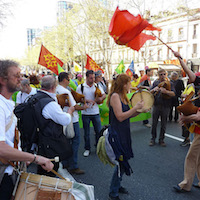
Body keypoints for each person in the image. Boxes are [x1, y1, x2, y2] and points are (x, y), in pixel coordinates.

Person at [0, 60, 54, 200]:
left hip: (10, 170)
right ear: (2, 80)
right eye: (16, 75)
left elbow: (8, 141)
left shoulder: (7, 103)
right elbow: (1, 148)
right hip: (3, 175)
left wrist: (21, 157)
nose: (21, 78)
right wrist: (35, 158)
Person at [107, 74, 144, 200]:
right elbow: (120, 116)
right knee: (121, 161)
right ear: (124, 84)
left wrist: (140, 110)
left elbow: (129, 115)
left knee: (123, 161)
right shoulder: (115, 96)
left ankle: (117, 185)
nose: (131, 85)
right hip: (117, 134)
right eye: (129, 83)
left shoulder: (123, 97)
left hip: (124, 132)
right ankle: (113, 192)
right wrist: (135, 108)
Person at [32, 75, 75, 177]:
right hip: (49, 142)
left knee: (43, 172)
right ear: (54, 86)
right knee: (50, 172)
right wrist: (69, 112)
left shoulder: (35, 97)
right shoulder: (49, 103)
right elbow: (64, 120)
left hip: (39, 139)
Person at [172, 51, 200, 193]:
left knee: (191, 156)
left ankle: (186, 184)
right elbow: (189, 73)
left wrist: (184, 118)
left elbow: (198, 117)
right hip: (198, 129)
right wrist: (179, 58)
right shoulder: (198, 80)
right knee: (199, 157)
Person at [56, 72, 88, 175]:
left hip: (60, 118)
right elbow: (74, 107)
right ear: (65, 80)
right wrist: (84, 107)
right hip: (72, 120)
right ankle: (73, 165)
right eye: (69, 79)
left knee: (65, 142)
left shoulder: (55, 89)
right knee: (75, 142)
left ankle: (65, 162)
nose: (69, 81)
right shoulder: (65, 91)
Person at [76, 70, 106, 157]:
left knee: (98, 131)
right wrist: (86, 100)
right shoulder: (81, 87)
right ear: (86, 77)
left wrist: (100, 99)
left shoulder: (97, 85)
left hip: (95, 112)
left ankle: (98, 148)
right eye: (91, 78)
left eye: (93, 77)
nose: (93, 79)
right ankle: (87, 148)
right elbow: (78, 98)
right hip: (85, 113)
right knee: (87, 132)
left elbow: (103, 95)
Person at [149, 69, 175, 147]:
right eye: (161, 74)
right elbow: (149, 93)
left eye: (164, 74)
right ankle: (153, 139)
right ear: (158, 75)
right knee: (154, 123)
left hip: (166, 106)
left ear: (166, 74)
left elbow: (174, 94)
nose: (163, 76)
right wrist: (154, 89)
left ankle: (161, 139)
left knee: (163, 124)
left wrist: (166, 92)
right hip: (156, 105)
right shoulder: (155, 83)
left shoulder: (170, 83)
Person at [180, 82, 195, 147]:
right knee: (186, 124)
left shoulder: (194, 87)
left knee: (192, 124)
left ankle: (190, 140)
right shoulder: (190, 86)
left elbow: (188, 96)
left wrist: (185, 96)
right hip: (187, 107)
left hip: (193, 107)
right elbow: (183, 95)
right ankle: (187, 139)